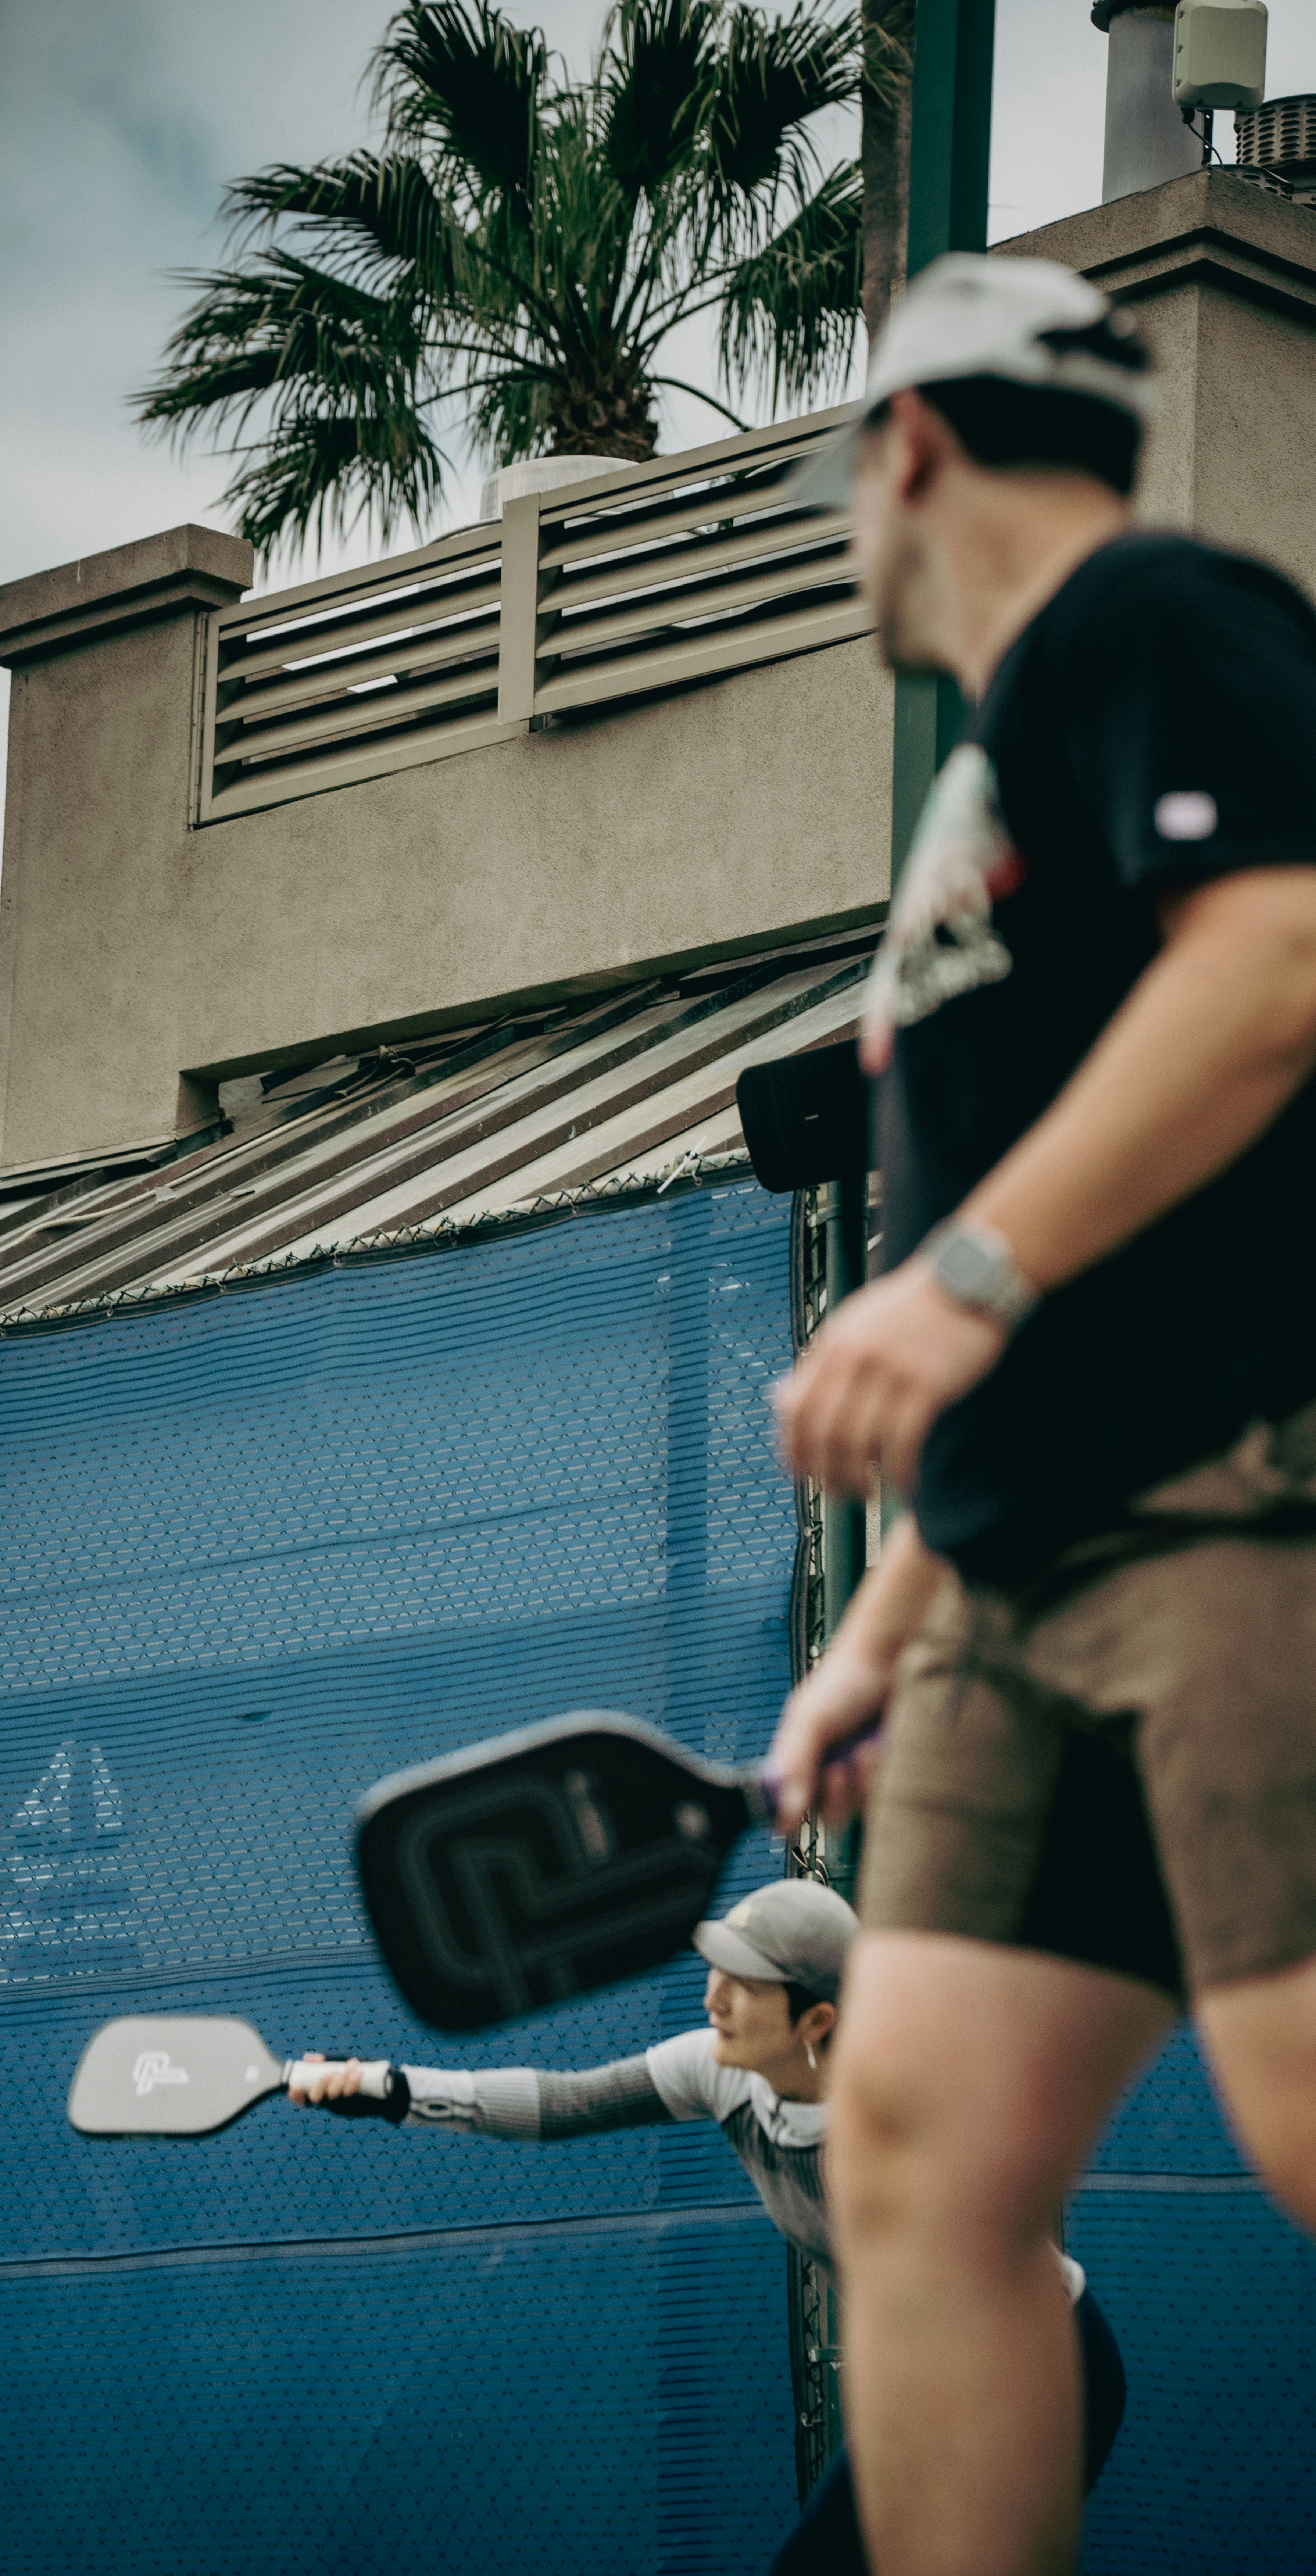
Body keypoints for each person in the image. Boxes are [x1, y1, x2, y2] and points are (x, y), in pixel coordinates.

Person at [767, 251, 1316, 2576]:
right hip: (1015, 1579)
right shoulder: (991, 770)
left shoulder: (1153, 617)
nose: (844, 526)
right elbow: (1045, 1266)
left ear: (907, 445)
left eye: (843, 478)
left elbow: (1280, 958)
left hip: (1236, 1514)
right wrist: (885, 1625)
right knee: (913, 2149)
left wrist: (960, 1278)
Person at [288, 1878, 1126, 2575]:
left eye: (744, 1983)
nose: (712, 1997)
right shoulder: (721, 2070)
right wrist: (388, 2087)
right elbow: (559, 2102)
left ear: (816, 2022)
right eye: (714, 1969)